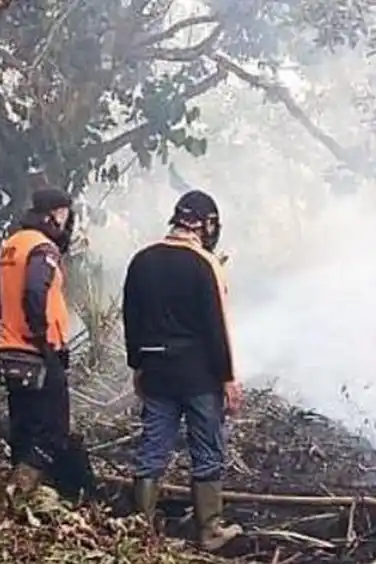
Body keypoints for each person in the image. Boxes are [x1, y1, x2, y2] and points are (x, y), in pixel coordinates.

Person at [122, 190, 243, 551]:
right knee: (206, 448)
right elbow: (216, 326)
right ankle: (209, 531)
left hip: (156, 370)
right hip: (199, 374)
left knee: (153, 446)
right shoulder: (204, 263)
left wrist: (138, 365)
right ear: (205, 224)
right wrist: (228, 377)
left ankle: (140, 530)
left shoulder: (141, 260)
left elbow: (132, 319)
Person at [0, 188, 94, 503]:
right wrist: (41, 336)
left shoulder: (13, 244)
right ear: (52, 215)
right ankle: (17, 491)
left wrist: (11, 320)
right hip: (38, 353)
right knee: (53, 429)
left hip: (10, 350)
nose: (67, 224)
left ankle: (26, 497)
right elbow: (34, 290)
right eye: (64, 217)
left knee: (25, 426)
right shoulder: (43, 248)